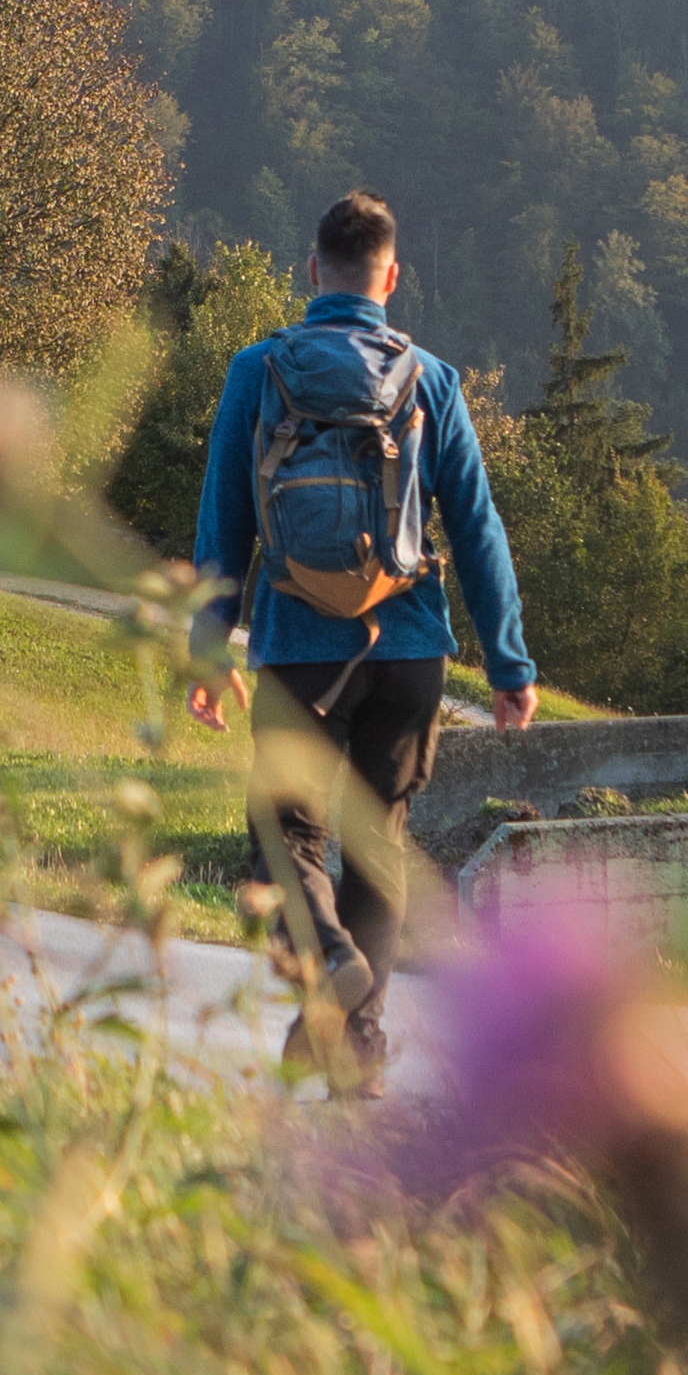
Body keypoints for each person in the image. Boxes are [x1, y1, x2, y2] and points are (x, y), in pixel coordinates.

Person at [182, 190, 537, 1086]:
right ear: (391, 275)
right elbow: (480, 527)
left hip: (300, 643)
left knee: (285, 834)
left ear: (312, 271)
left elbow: (223, 519)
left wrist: (208, 645)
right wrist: (508, 663)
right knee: (378, 838)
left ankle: (329, 958)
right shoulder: (433, 380)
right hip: (409, 645)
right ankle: (356, 1049)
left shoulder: (257, 370)